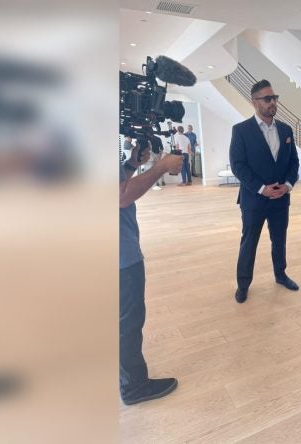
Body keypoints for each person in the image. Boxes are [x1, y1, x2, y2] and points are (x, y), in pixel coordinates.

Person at [119, 143, 183, 405]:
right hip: (119, 255)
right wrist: (161, 167)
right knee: (128, 323)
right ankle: (134, 387)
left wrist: (130, 165)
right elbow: (121, 196)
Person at [229, 79, 300, 303]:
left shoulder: (286, 130)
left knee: (279, 240)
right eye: (267, 98)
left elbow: (294, 162)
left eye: (274, 98)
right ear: (255, 102)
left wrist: (287, 185)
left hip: (281, 198)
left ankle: (281, 274)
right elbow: (238, 165)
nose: (272, 102)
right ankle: (243, 284)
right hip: (254, 199)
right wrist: (262, 189)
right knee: (249, 242)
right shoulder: (241, 130)